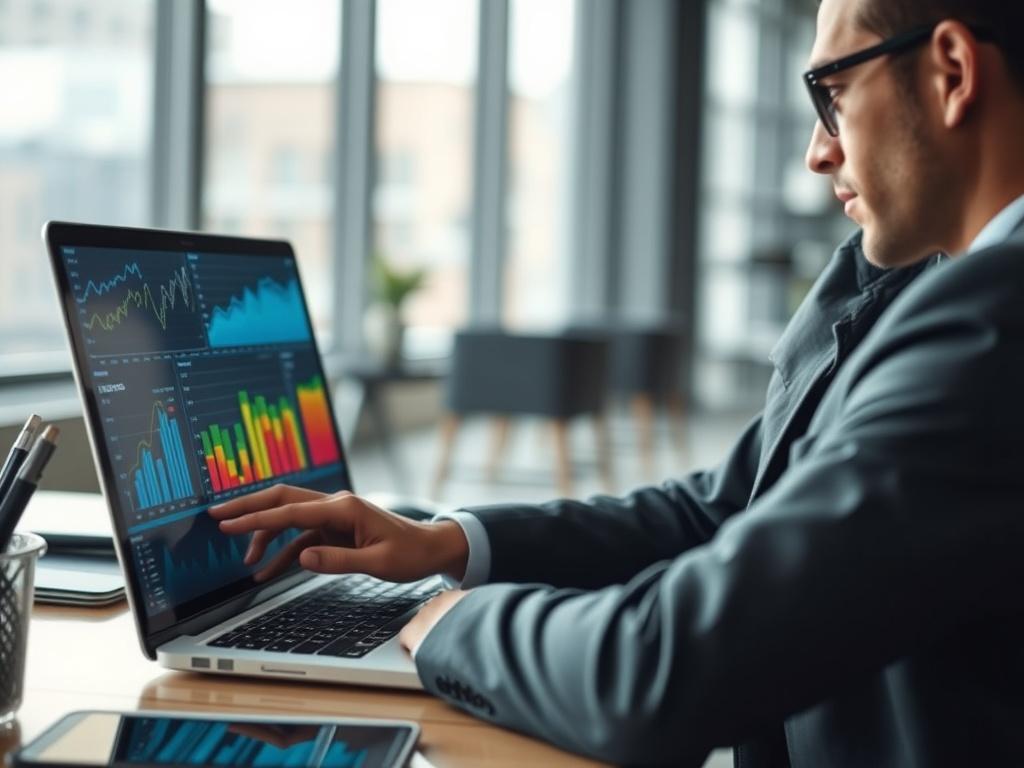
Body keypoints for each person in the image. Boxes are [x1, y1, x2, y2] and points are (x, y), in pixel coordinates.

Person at [210, 0, 1024, 764]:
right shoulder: (944, 287)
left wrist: (455, 624)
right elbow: (729, 506)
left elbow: (665, 671)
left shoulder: (995, 327)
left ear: (951, 71)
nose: (818, 151)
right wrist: (450, 545)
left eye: (833, 93)